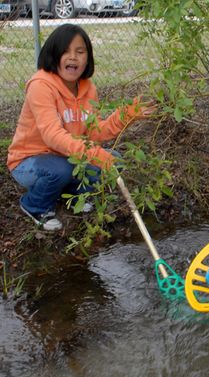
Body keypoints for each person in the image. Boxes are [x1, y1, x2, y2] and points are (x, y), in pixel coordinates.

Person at [7, 23, 155, 231]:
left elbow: (95, 132)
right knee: (63, 169)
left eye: (80, 51)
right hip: (29, 161)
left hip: (67, 157)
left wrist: (126, 115)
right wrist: (94, 154)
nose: (73, 57)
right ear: (53, 54)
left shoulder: (88, 88)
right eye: (65, 51)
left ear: (88, 58)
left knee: (115, 162)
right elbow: (52, 135)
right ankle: (34, 205)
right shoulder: (41, 85)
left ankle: (74, 197)